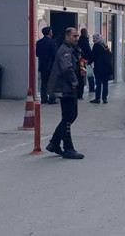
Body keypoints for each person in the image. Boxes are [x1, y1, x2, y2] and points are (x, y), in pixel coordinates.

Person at [46, 27, 85, 159]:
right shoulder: (65, 50)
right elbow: (67, 68)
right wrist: (75, 82)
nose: (77, 38)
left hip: (69, 88)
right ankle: (68, 148)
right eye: (74, 36)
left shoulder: (73, 49)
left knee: (71, 116)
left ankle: (54, 142)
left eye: (78, 36)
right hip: (65, 88)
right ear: (67, 37)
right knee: (68, 117)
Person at [35, 27, 57, 105]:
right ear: (49, 33)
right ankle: (51, 98)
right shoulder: (52, 42)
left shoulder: (39, 42)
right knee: (51, 82)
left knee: (43, 82)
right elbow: (55, 54)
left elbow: (37, 54)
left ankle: (43, 98)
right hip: (50, 65)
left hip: (42, 65)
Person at [89, 34, 112, 104]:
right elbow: (110, 55)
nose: (93, 40)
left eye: (94, 39)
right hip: (107, 68)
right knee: (105, 84)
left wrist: (88, 62)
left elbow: (92, 56)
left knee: (98, 83)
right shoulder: (105, 46)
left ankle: (97, 98)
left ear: (97, 39)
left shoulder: (96, 46)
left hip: (99, 68)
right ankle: (104, 98)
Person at [76, 28, 92, 99]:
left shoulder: (78, 41)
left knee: (78, 77)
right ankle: (80, 94)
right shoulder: (85, 41)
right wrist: (89, 60)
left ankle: (78, 93)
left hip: (78, 61)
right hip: (83, 61)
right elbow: (89, 51)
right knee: (81, 77)